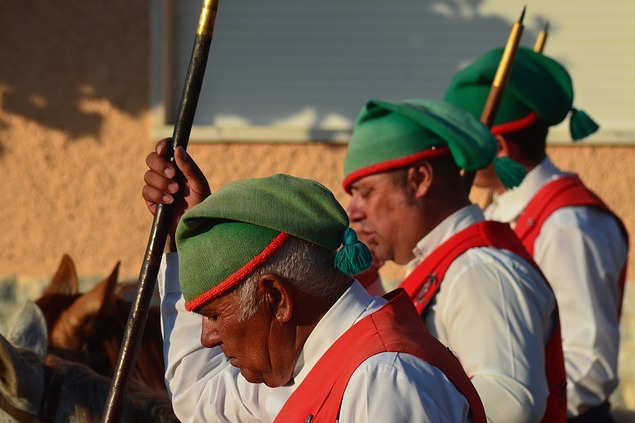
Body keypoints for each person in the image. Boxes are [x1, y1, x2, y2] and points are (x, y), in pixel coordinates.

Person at [142, 142, 486, 422]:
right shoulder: (309, 365)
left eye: (215, 315)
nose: (207, 338)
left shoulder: (380, 380)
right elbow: (199, 395)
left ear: (277, 298)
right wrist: (185, 243)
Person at [343, 98, 565, 423]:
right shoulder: (446, 263)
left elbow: (512, 403)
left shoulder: (478, 270)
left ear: (420, 179)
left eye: (366, 192)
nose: (353, 211)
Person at [444, 46, 629, 422]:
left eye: (460, 143)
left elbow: (588, 367)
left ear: (497, 148)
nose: (451, 155)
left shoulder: (567, 226)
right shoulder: (501, 208)